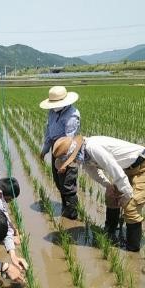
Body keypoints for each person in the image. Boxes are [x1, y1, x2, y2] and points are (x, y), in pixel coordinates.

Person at [52, 135, 145, 252]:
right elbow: (93, 172)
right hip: (129, 169)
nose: (72, 162)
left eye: (70, 160)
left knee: (131, 206)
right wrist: (108, 186)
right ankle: (110, 232)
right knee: (111, 196)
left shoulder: (92, 148)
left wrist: (127, 194)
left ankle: (132, 248)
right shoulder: (83, 154)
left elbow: (114, 169)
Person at [39, 86, 81, 220]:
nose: (54, 106)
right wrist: (45, 150)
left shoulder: (72, 115)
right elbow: (49, 132)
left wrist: (65, 162)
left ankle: (72, 216)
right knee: (58, 181)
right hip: (56, 149)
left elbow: (70, 140)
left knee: (68, 183)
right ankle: (65, 207)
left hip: (69, 151)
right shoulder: (52, 112)